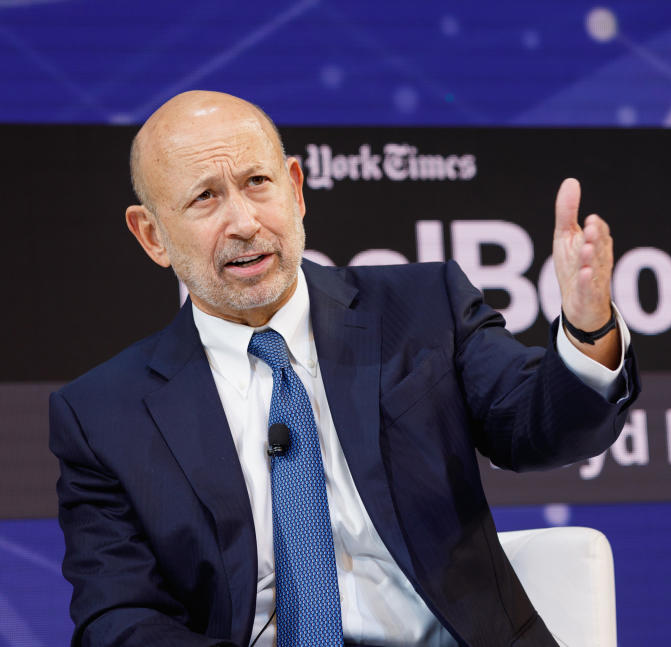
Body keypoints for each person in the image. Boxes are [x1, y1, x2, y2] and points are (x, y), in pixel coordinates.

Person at [50, 90, 639, 646]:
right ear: (151, 235)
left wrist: (587, 330)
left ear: (296, 190)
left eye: (258, 183)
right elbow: (118, 620)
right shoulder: (103, 416)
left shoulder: (422, 307)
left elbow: (540, 429)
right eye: (205, 198)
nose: (245, 222)